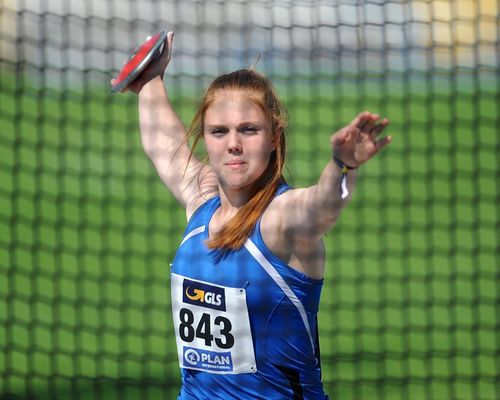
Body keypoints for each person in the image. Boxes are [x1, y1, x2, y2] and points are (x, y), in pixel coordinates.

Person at [114, 32, 391, 399]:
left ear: (275, 136)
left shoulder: (280, 219)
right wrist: (149, 80)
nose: (233, 143)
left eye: (249, 129)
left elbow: (322, 207)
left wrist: (343, 165)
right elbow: (164, 146)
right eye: (218, 131)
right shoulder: (201, 202)